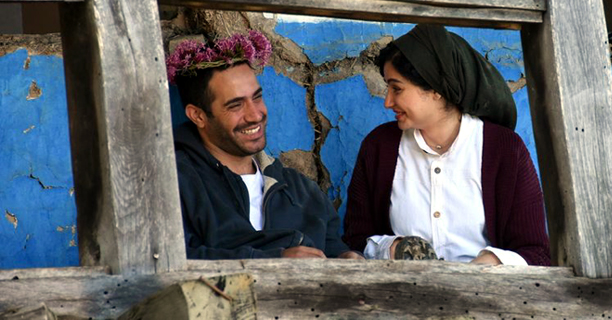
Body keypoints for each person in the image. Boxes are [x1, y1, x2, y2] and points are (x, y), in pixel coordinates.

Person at [343, 24, 550, 266]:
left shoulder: (505, 149)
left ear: (436, 90)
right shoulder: (378, 147)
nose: (388, 101)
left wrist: (491, 263)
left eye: (397, 89)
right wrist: (393, 248)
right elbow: (355, 241)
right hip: (401, 296)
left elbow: (535, 252)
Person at [168, 31, 362, 260]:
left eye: (257, 97)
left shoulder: (301, 191)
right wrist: (276, 261)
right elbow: (173, 260)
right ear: (198, 116)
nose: (255, 115)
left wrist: (348, 259)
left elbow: (334, 251)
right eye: (235, 105)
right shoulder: (175, 183)